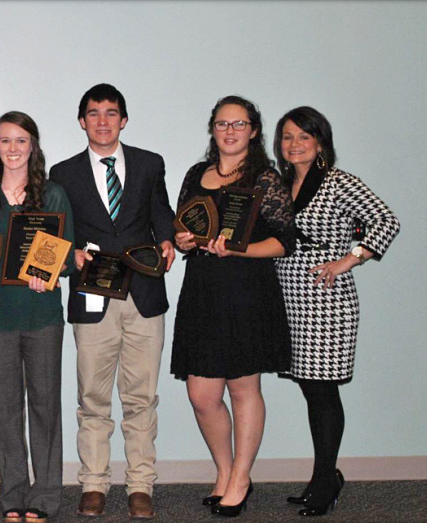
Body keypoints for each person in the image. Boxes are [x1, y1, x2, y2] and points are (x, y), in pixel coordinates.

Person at [49, 83, 176, 519]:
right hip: (92, 293)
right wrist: (70, 254)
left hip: (143, 292)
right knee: (93, 396)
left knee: (141, 395)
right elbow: (55, 233)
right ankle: (94, 483)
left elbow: (161, 211)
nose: (103, 121)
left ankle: (140, 484)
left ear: (124, 119)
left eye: (111, 112)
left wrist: (167, 240)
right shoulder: (63, 174)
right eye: (94, 113)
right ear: (82, 121)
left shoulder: (149, 164)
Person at [171, 95, 295, 518]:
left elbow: (283, 242)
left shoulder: (266, 178)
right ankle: (224, 470)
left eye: (238, 124)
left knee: (244, 388)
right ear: (213, 129)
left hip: (246, 289)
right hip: (203, 289)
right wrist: (184, 240)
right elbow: (185, 225)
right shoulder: (195, 174)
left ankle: (240, 478)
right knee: (202, 394)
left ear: (254, 130)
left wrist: (239, 252)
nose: (229, 131)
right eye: (222, 124)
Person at [272, 106, 400, 516]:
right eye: (287, 137)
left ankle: (326, 480)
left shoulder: (340, 182)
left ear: (320, 142)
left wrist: (350, 258)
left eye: (303, 137)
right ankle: (322, 475)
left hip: (328, 299)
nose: (294, 144)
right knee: (311, 389)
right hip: (289, 297)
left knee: (323, 391)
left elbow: (386, 221)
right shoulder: (281, 183)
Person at [0, 111, 74, 523]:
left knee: (46, 406)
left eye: (21, 141)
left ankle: (45, 497)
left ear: (34, 146)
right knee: (6, 407)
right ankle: (13, 494)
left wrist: (48, 274)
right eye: (6, 141)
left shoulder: (54, 196)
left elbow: (66, 255)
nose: (13, 149)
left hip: (43, 313)